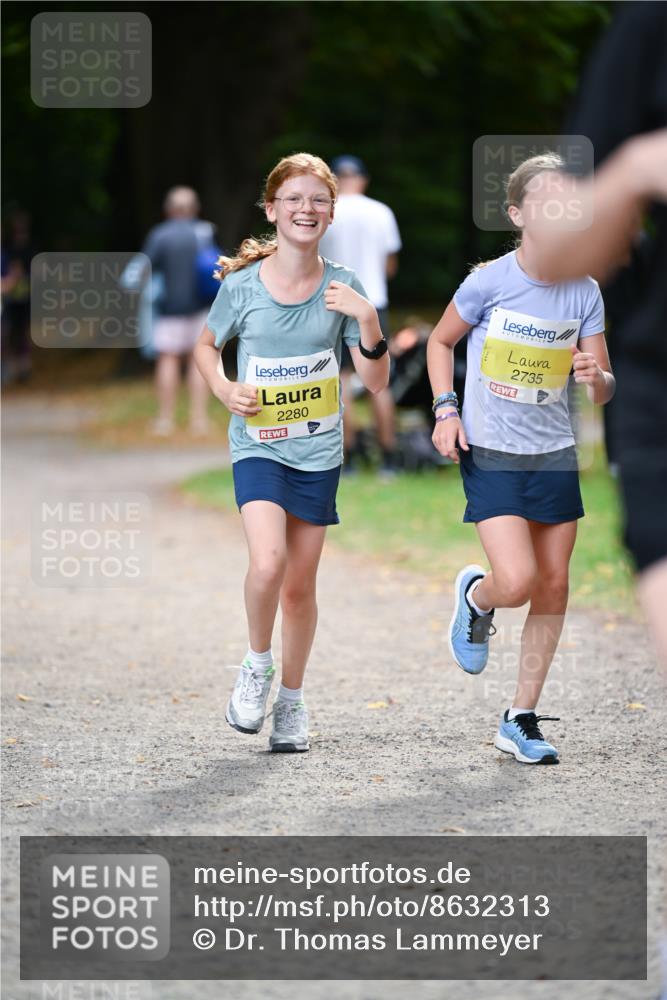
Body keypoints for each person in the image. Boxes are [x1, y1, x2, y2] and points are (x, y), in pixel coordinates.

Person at [194, 153, 389, 752]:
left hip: (318, 450)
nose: (307, 209)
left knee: (300, 587)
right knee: (268, 562)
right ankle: (257, 665)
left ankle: (293, 703)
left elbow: (377, 385)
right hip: (258, 446)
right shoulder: (243, 286)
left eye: (319, 200)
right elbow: (206, 347)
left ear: (331, 212)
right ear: (272, 209)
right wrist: (226, 388)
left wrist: (369, 320)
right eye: (295, 199)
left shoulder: (345, 287)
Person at [427, 152, 615, 765]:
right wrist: (446, 410)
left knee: (555, 584)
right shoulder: (490, 281)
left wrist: (597, 374)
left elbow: (604, 382)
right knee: (518, 581)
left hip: (553, 453)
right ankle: (479, 598)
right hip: (493, 451)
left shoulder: (584, 289)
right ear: (517, 212)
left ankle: (520, 716)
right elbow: (438, 341)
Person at [318, 155, 401, 475]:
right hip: (373, 303)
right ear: (363, 179)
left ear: (334, 180)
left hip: (336, 300)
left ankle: (349, 457)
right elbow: (389, 266)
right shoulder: (382, 212)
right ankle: (389, 458)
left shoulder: (328, 213)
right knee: (380, 383)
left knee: (341, 380)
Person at [142, 186, 217, 436]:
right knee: (198, 362)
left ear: (169, 210)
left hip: (169, 310)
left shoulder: (160, 235)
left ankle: (165, 419)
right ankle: (199, 419)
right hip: (201, 308)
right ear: (194, 208)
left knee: (168, 359)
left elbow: (142, 269)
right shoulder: (204, 232)